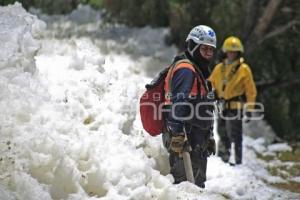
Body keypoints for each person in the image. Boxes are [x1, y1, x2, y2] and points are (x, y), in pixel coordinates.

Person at [162, 25, 217, 188]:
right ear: (193, 46)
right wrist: (178, 135)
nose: (208, 53)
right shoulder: (186, 70)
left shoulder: (199, 70)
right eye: (204, 48)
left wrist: (210, 136)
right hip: (185, 142)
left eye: (211, 50)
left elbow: (204, 105)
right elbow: (179, 103)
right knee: (185, 189)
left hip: (197, 141)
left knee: (196, 188)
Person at [209, 36, 257, 165]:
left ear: (238, 53)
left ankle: (238, 161)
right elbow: (210, 82)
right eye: (229, 51)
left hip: (236, 106)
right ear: (225, 52)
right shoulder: (219, 67)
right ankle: (223, 160)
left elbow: (251, 90)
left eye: (234, 52)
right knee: (221, 131)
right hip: (222, 105)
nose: (231, 54)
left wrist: (250, 108)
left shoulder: (244, 69)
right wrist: (211, 93)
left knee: (235, 134)